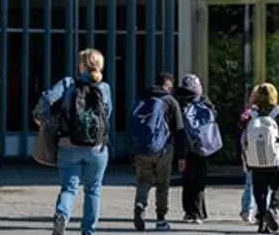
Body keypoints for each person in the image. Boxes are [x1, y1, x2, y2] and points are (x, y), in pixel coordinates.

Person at [34, 48, 113, 235]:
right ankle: (88, 231)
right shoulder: (105, 88)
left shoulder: (68, 83)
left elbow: (46, 99)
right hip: (97, 148)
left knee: (69, 188)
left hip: (68, 145)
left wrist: (41, 118)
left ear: (81, 65)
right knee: (93, 190)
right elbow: (107, 114)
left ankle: (62, 215)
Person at [130, 72, 188, 232]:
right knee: (162, 184)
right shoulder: (170, 101)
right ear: (169, 85)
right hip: (163, 149)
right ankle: (161, 219)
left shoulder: (144, 99)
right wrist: (182, 155)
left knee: (143, 180)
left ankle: (140, 205)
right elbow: (179, 129)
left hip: (142, 149)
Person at [243, 82, 279, 234]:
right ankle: (272, 210)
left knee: (259, 191)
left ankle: (262, 222)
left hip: (255, 160)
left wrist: (246, 159)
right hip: (274, 159)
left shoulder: (251, 114)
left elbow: (244, 138)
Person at [174, 73, 221, 224]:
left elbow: (178, 128)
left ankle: (190, 212)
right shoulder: (203, 100)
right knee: (199, 181)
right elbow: (213, 115)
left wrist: (180, 154)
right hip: (203, 145)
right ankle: (198, 212)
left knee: (188, 180)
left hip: (187, 147)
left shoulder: (178, 100)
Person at [237, 88, 260, 224]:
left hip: (249, 150)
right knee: (265, 182)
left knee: (250, 181)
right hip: (265, 153)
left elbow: (240, 125)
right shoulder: (271, 112)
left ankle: (247, 209)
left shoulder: (249, 113)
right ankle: (259, 211)